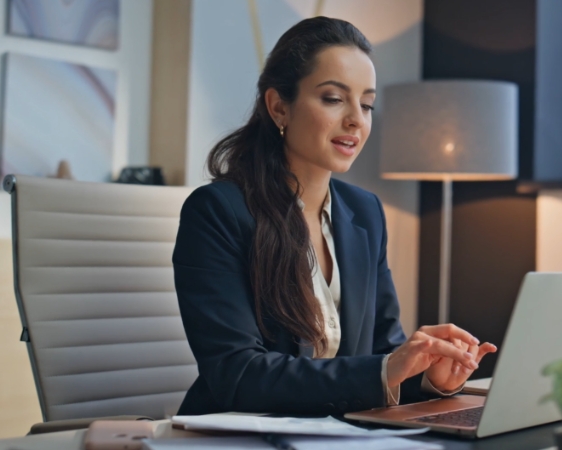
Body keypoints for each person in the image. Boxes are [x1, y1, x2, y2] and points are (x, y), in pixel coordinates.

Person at [173, 16, 496, 416]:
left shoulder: (365, 212)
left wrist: (427, 375)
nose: (356, 120)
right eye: (333, 98)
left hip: (336, 434)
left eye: (367, 104)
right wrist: (386, 369)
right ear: (279, 107)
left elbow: (381, 353)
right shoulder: (219, 211)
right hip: (237, 434)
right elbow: (237, 374)